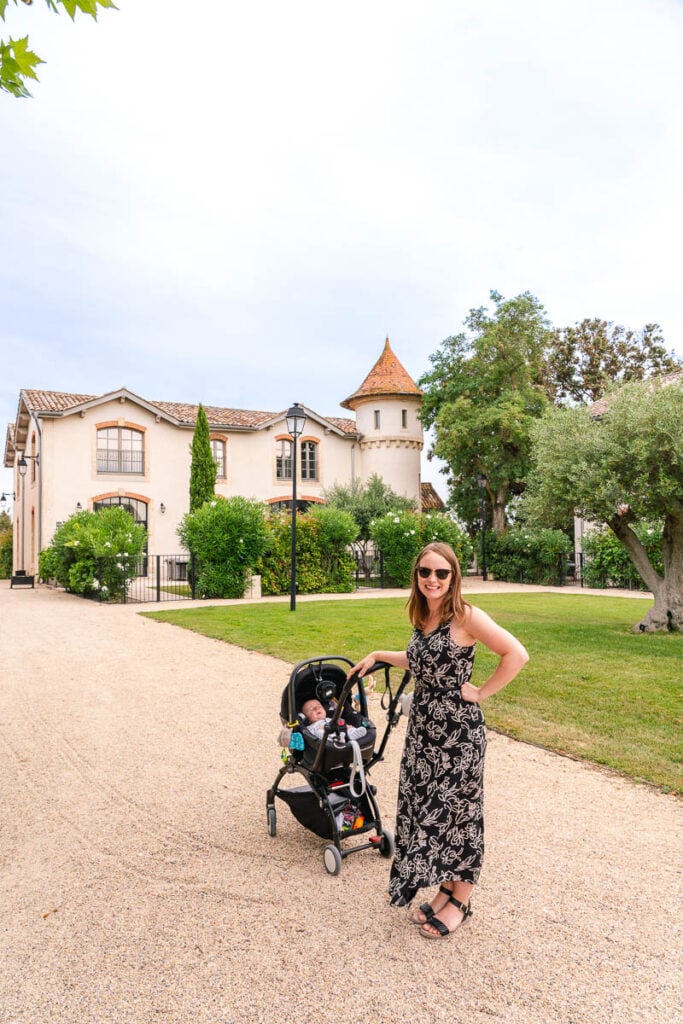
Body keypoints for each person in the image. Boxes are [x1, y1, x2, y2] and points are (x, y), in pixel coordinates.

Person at [348, 541, 528, 940]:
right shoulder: (425, 616)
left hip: (457, 734)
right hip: (425, 731)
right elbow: (420, 660)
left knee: (458, 814)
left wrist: (481, 693)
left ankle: (461, 901)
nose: (433, 579)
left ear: (453, 577)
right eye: (425, 572)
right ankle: (446, 888)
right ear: (417, 576)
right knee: (427, 810)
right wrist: (378, 654)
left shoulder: (466, 615)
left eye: (441, 573)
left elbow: (516, 654)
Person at [300, 697, 367, 742]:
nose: (317, 708)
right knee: (318, 733)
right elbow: (309, 734)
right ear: (307, 719)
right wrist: (322, 728)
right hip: (326, 737)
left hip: (340, 733)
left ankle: (352, 734)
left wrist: (347, 726)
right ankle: (334, 740)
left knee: (344, 725)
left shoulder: (330, 719)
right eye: (312, 709)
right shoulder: (310, 726)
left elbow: (340, 723)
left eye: (319, 706)